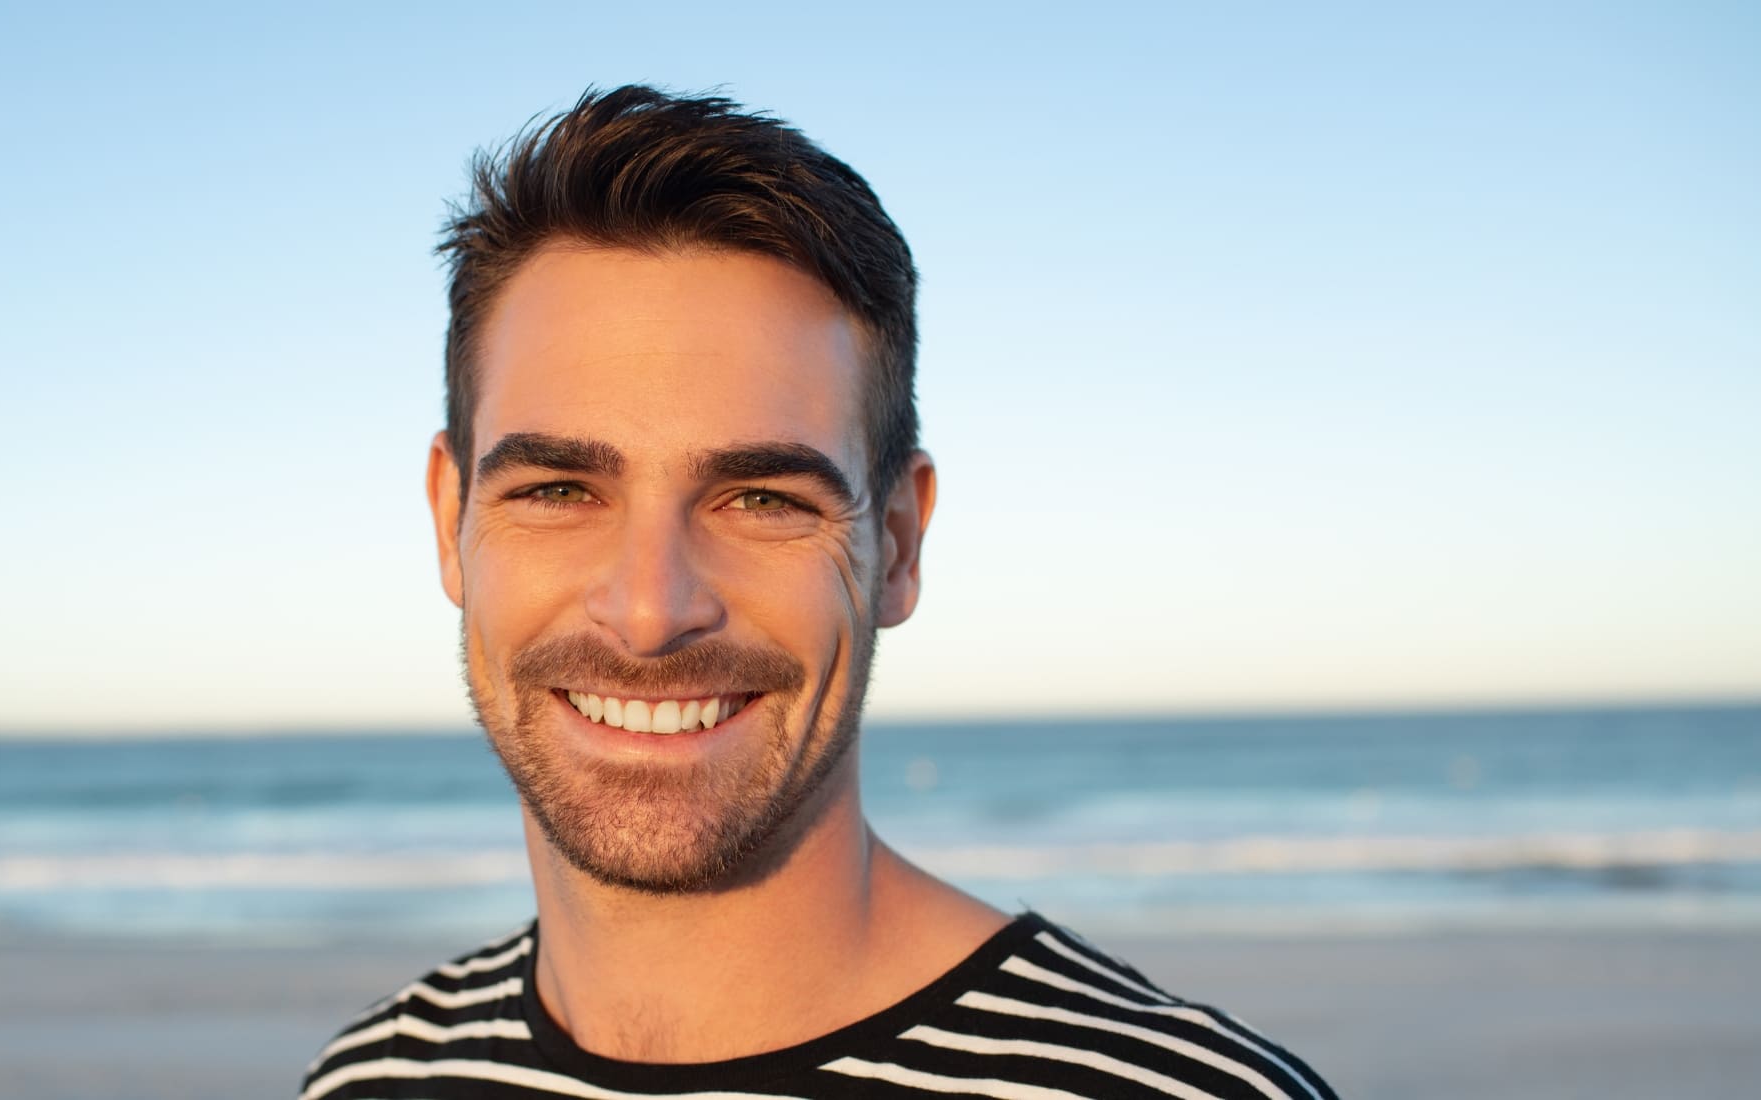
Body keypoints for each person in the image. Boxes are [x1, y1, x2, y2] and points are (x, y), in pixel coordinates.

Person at [302, 85, 1337, 1100]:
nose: (651, 611)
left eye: (760, 497)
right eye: (560, 489)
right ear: (451, 520)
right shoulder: (373, 1076)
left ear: (895, 543)